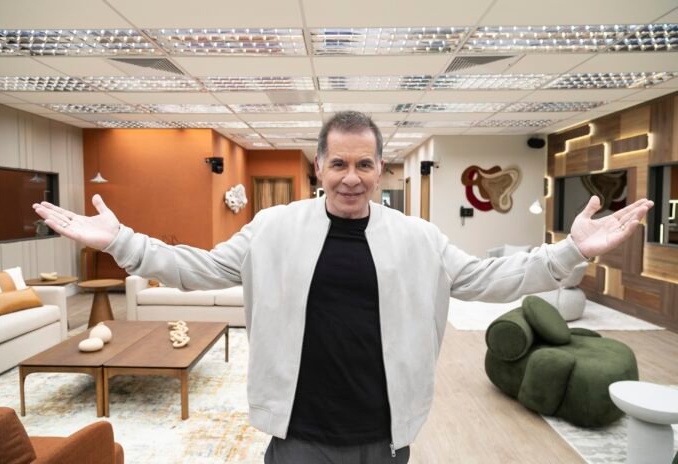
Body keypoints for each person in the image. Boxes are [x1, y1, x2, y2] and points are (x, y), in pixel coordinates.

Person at [34, 111, 653, 464]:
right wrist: (123, 242)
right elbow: (200, 269)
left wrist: (571, 251)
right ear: (319, 167)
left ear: (380, 168)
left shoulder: (417, 236)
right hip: (297, 431)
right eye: (338, 163)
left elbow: (487, 278)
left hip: (384, 432)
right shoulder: (273, 227)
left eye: (363, 164)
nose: (351, 177)